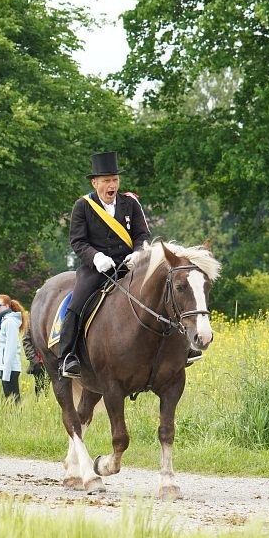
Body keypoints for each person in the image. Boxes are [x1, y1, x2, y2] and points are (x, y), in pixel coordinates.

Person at [59, 152, 153, 378]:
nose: (112, 185)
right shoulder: (83, 206)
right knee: (77, 303)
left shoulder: (130, 203)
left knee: (164, 290)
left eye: (115, 180)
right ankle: (68, 356)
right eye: (107, 181)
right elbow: (78, 241)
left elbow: (142, 235)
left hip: (130, 266)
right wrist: (96, 257)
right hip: (97, 268)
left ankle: (181, 347)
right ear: (95, 183)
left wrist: (139, 253)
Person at [0, 294, 26, 405]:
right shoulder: (3, 321)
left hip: (10, 368)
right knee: (9, 400)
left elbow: (10, 349)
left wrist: (6, 372)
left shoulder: (10, 322)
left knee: (14, 400)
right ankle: (14, 419)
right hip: (5, 367)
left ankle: (18, 420)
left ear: (7, 306)